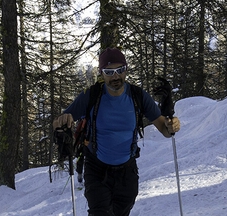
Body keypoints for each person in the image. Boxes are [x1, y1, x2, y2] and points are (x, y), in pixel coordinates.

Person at [54, 48, 181, 216]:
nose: (115, 76)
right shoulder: (91, 96)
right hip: (97, 169)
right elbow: (61, 120)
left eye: (119, 70)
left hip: (126, 172)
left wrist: (173, 125)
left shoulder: (137, 96)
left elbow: (165, 129)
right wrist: (62, 122)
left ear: (126, 70)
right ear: (102, 73)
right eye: (109, 72)